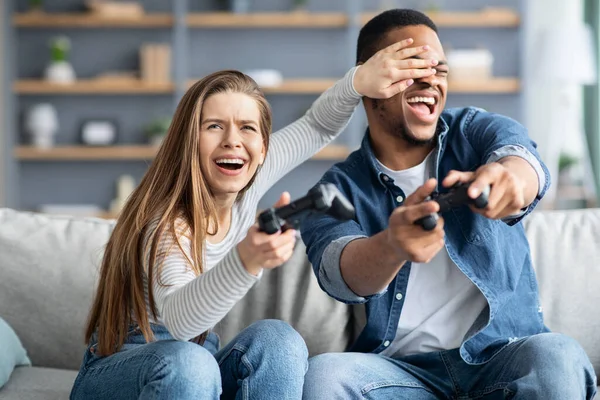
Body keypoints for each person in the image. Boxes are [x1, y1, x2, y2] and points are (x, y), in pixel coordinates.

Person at [69, 37, 440, 400]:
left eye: (247, 127)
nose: (233, 140)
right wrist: (246, 260)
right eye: (214, 126)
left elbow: (317, 125)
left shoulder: (247, 182)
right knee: (191, 363)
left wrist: (358, 81)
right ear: (189, 141)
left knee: (278, 341)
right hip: (126, 367)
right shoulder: (167, 221)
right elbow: (181, 324)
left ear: (263, 148)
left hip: (196, 364)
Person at [301, 8, 597, 400]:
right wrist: (392, 246)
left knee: (557, 355)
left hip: (502, 356)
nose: (430, 79)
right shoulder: (335, 189)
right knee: (324, 376)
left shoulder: (474, 131)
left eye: (439, 69)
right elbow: (341, 273)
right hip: (400, 372)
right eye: (412, 65)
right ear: (369, 78)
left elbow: (521, 160)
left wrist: (509, 180)